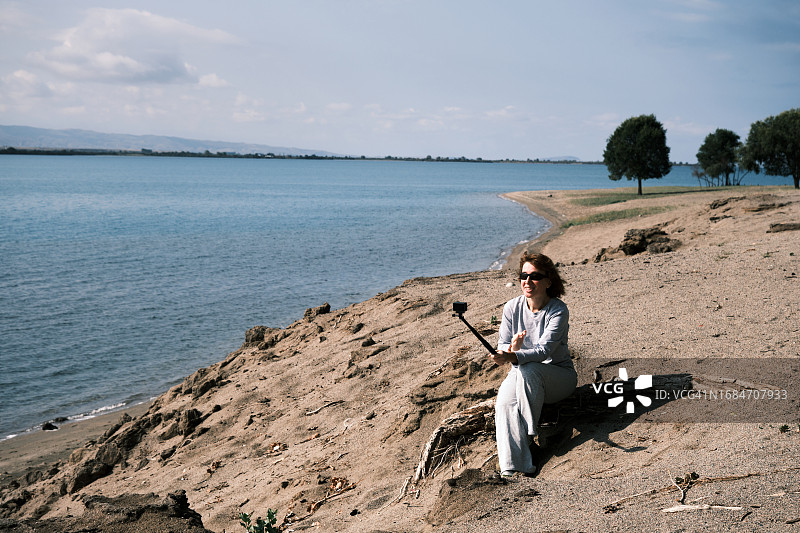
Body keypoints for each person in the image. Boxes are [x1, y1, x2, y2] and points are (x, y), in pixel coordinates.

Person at [491, 251, 577, 477]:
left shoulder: (558, 310)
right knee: (503, 404)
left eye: (535, 276)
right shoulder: (511, 307)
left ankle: (529, 435)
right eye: (523, 275)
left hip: (559, 378)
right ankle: (514, 468)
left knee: (529, 369)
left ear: (548, 281)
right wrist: (509, 350)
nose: (527, 281)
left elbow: (544, 351)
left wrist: (513, 356)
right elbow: (503, 345)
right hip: (522, 373)